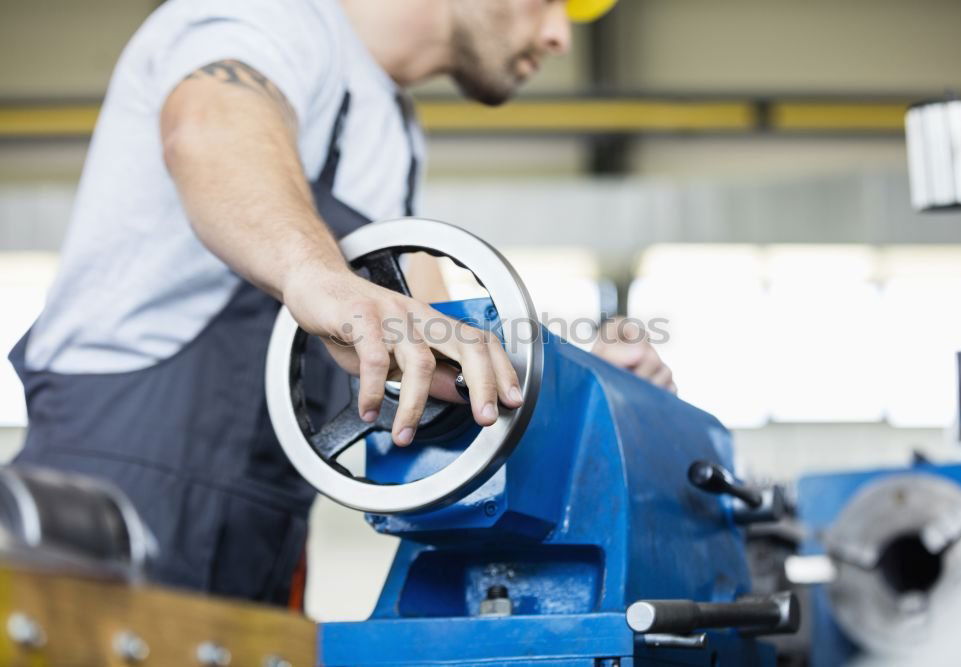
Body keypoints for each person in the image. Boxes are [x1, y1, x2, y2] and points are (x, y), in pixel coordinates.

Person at [8, 0, 674, 607]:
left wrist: (573, 381)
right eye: (551, 2)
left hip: (266, 525)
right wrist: (318, 277)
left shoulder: (394, 128)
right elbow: (211, 127)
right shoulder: (273, 19)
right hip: (114, 488)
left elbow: (441, 350)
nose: (559, 34)